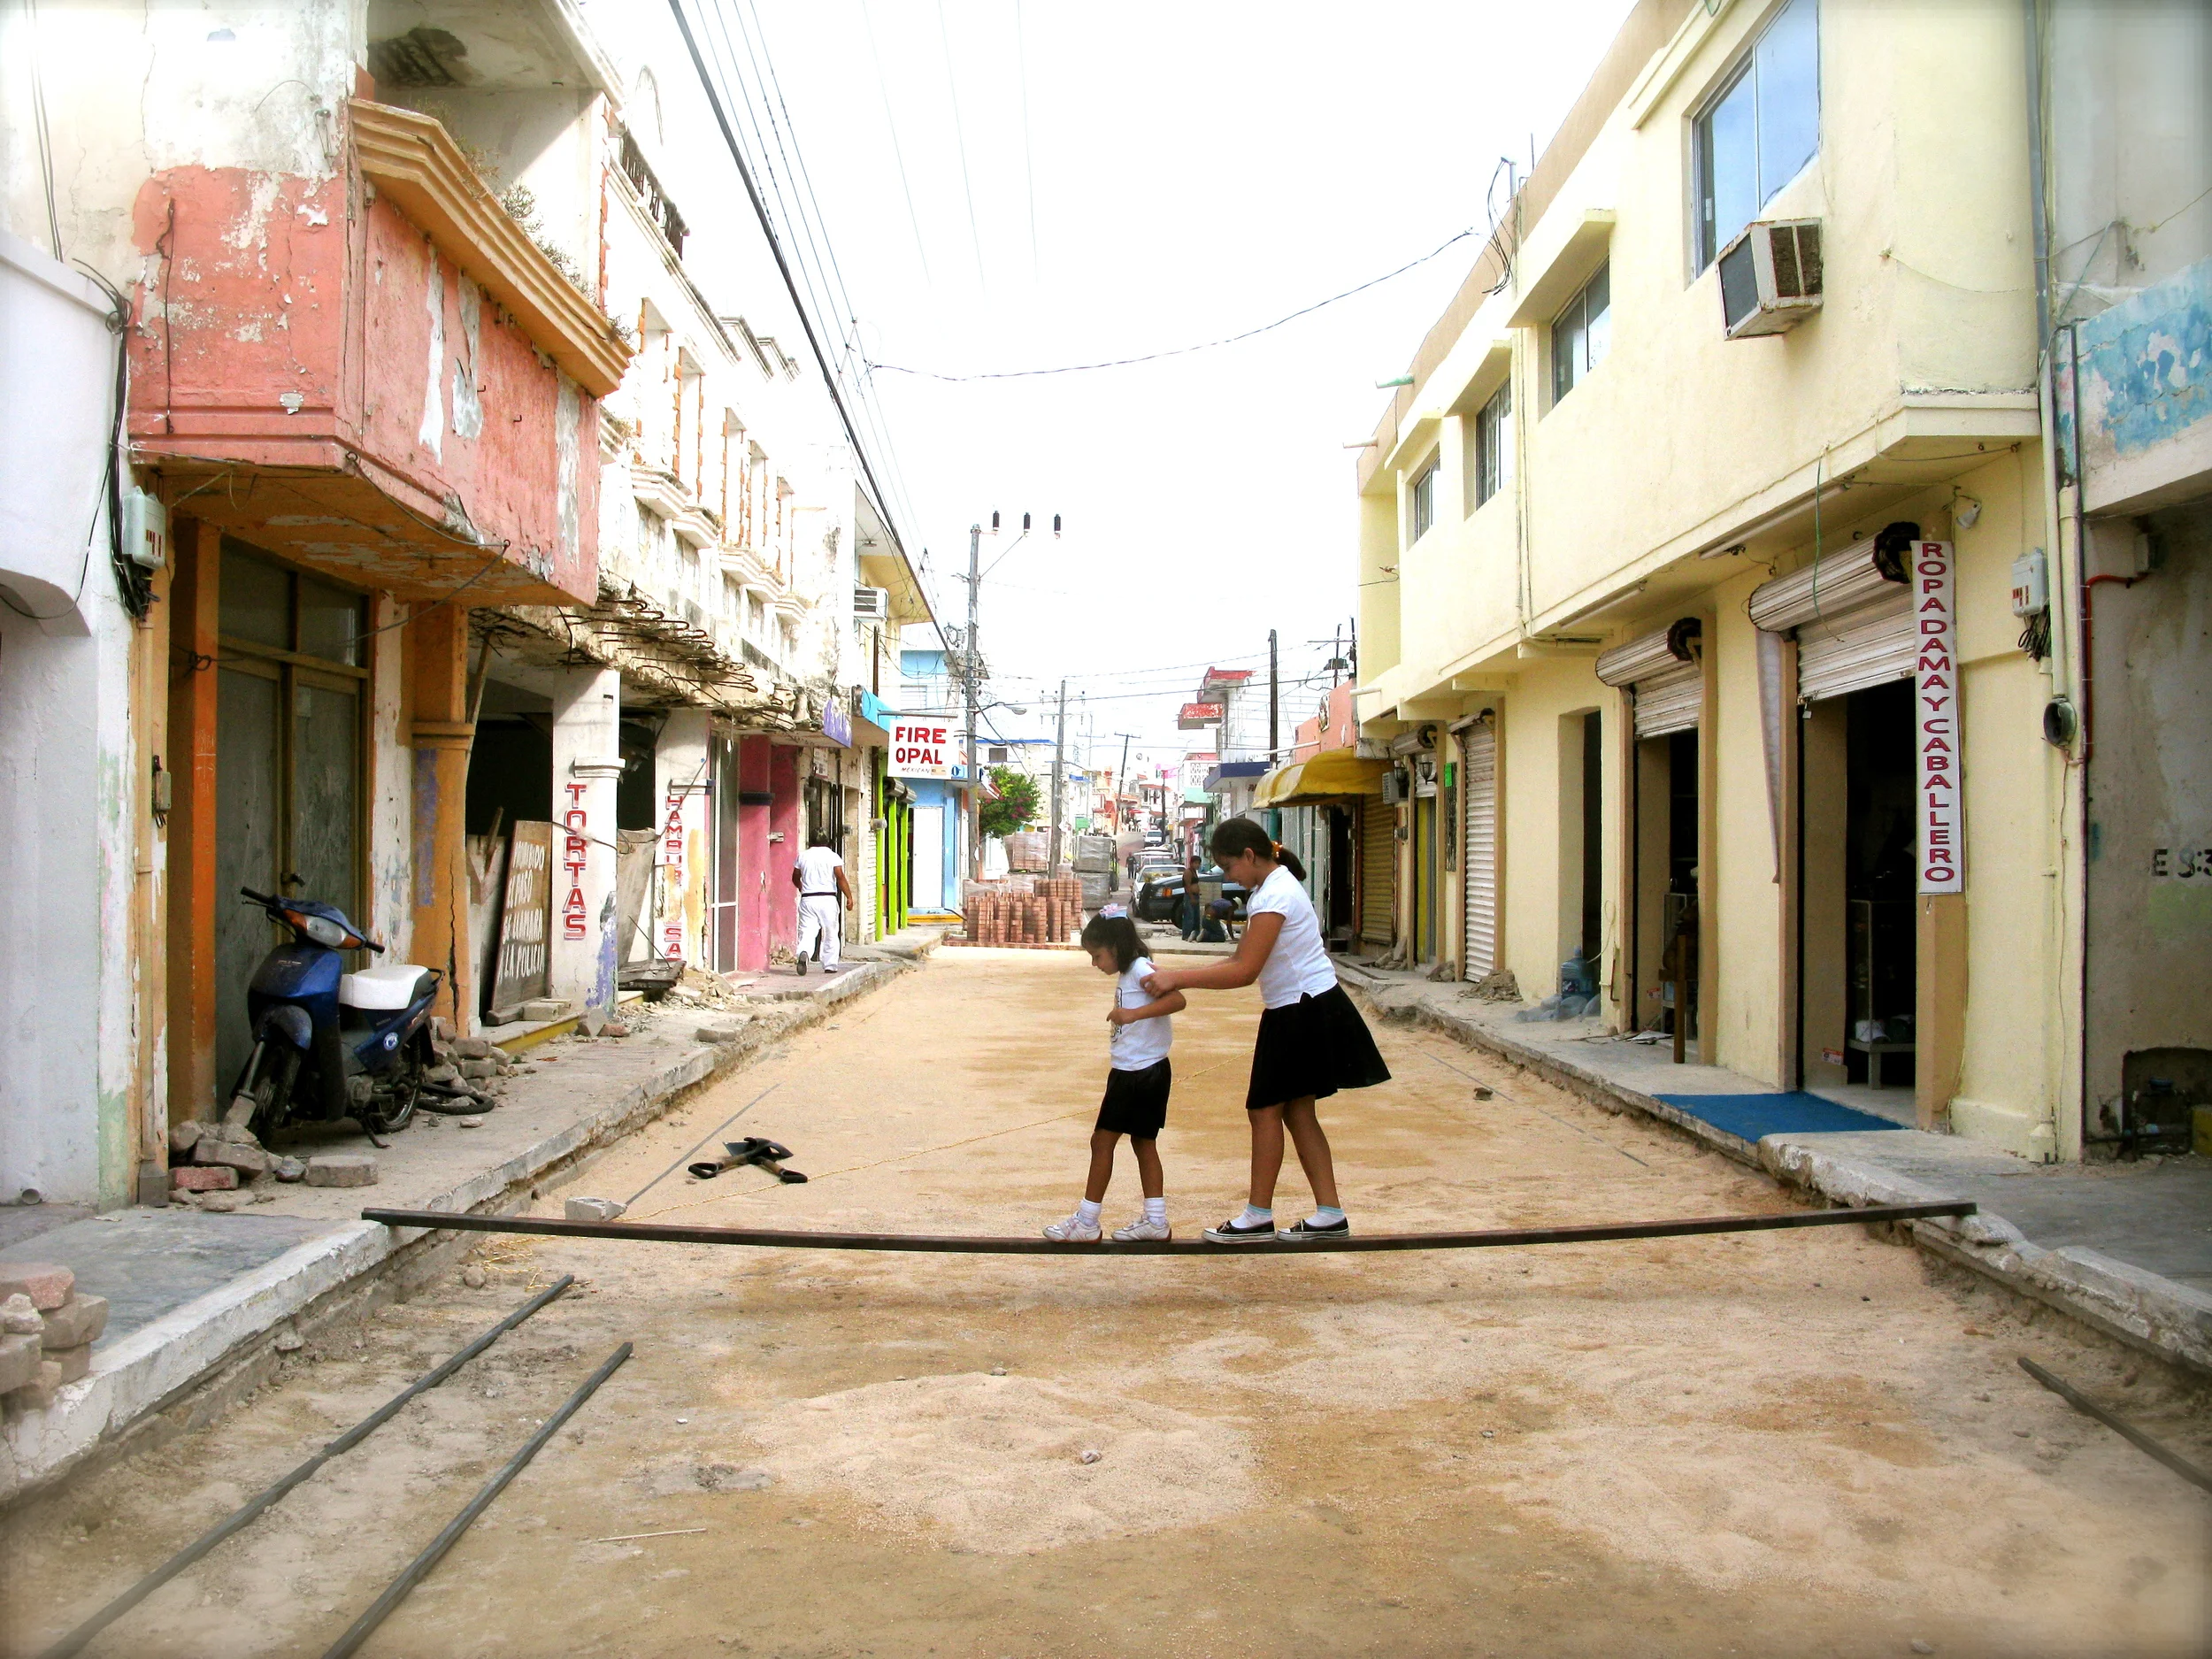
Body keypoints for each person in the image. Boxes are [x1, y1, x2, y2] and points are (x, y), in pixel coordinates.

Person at [1142, 817, 1389, 1243]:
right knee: (1295, 1111)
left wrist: (1178, 979)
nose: (1229, 877)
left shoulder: (1275, 896)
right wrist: (1177, 971)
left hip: (1301, 1009)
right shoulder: (1272, 889)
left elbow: (1244, 972)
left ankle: (1258, 1215)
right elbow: (1240, 958)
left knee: (1265, 1110)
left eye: (1230, 867)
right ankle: (1329, 1213)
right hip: (1305, 1006)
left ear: (1249, 856)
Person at [1042, 913, 1186, 1242]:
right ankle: (1155, 1219)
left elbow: (1178, 999)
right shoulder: (1130, 972)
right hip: (1136, 1069)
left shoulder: (1141, 970)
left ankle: (1087, 1221)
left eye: (1097, 956)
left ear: (1116, 948)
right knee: (1142, 1142)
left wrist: (1132, 1014)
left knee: (1102, 1141)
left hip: (1138, 1072)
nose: (1095, 964)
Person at [790, 831, 854, 974]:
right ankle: (830, 965)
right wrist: (849, 897)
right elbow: (840, 877)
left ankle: (804, 951)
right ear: (827, 842)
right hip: (828, 899)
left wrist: (801, 888)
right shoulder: (832, 856)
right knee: (830, 932)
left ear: (810, 841)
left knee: (807, 930)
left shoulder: (803, 856)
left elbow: (795, 877)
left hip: (808, 899)